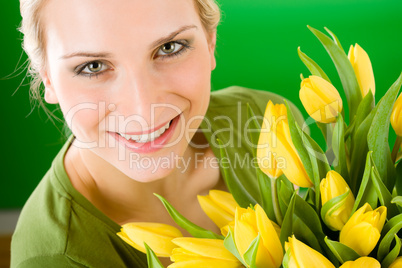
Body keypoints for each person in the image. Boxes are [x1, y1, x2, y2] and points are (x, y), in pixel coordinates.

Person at [11, 0, 304, 267]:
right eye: (93, 66)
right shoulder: (54, 258)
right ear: (47, 78)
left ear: (210, 41)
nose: (143, 108)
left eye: (169, 47)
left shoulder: (268, 121)